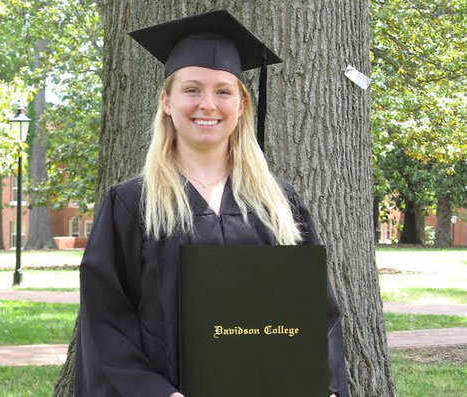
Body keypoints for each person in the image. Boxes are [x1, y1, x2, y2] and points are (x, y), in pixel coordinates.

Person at [74, 9, 349, 397]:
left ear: (241, 107)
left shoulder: (279, 203)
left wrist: (325, 386)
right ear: (166, 102)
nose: (208, 104)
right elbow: (104, 321)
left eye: (223, 91)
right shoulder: (131, 205)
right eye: (191, 89)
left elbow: (317, 313)